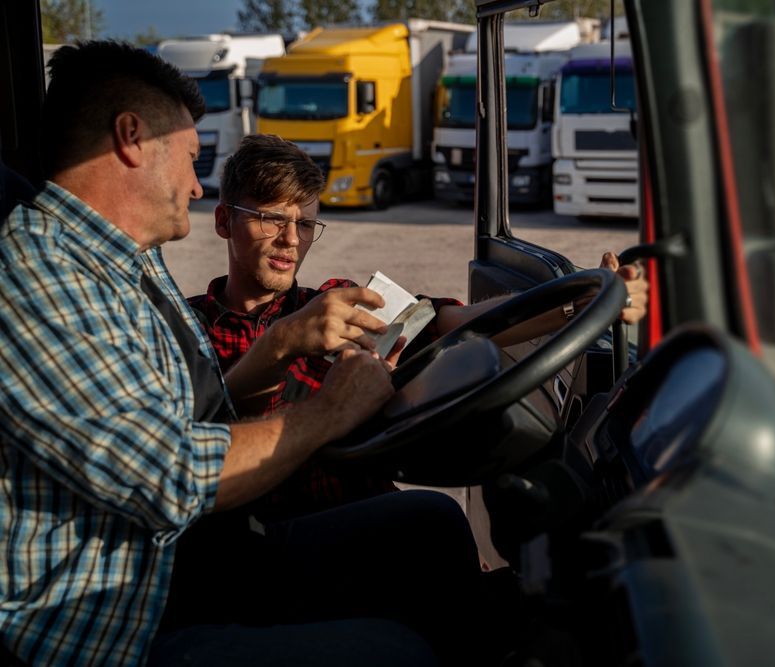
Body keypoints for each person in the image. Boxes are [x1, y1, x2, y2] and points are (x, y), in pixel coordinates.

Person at [0, 40, 492, 667]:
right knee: (396, 653)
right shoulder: (40, 273)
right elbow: (170, 476)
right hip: (124, 620)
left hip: (194, 555)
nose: (195, 182)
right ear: (131, 138)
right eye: (188, 157)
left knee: (430, 523)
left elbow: (431, 318)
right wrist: (329, 410)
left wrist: (563, 306)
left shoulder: (122, 265)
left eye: (304, 224)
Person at [184, 133, 649, 530]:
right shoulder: (185, 330)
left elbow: (455, 323)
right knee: (435, 520)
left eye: (305, 224)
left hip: (360, 508)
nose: (290, 240)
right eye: (271, 218)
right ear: (225, 221)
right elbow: (193, 445)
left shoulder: (334, 304)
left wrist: (574, 302)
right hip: (268, 534)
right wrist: (283, 347)